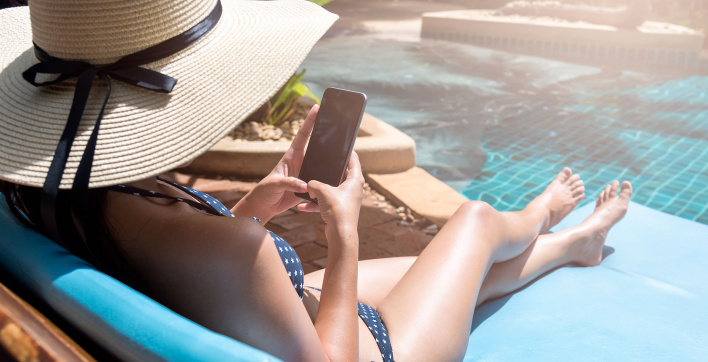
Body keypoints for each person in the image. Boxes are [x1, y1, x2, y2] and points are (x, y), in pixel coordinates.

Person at [0, 0, 632, 361]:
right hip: (368, 352)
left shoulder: (55, 196)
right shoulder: (226, 250)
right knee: (473, 221)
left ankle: (567, 245)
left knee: (447, 265)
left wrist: (259, 200)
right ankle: (545, 220)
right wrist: (346, 228)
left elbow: (190, 261)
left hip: (276, 307)